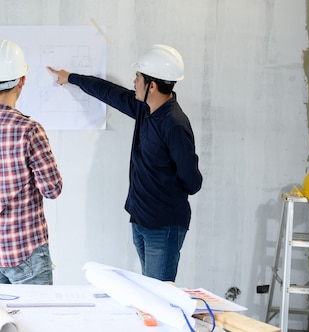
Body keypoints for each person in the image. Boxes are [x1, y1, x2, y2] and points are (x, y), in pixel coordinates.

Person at [48, 44, 202, 282]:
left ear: (152, 85)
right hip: (140, 220)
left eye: (138, 77)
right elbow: (108, 91)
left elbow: (192, 182)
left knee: (157, 295)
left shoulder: (174, 124)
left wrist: (162, 187)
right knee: (147, 289)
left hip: (163, 227)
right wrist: (70, 77)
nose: (134, 81)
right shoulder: (144, 109)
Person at [0, 40, 63, 285]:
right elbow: (53, 189)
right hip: (26, 250)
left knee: (2, 322)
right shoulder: (29, 130)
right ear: (22, 80)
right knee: (37, 323)